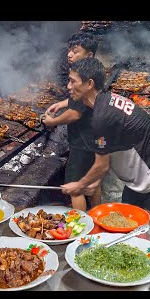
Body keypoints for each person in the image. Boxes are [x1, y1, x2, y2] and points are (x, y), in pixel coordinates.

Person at [60, 57, 150, 229]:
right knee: (126, 228)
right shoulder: (105, 102)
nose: (68, 87)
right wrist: (94, 181)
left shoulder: (102, 116)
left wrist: (79, 184)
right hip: (136, 184)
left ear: (89, 84)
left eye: (73, 81)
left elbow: (101, 165)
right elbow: (109, 152)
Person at [42, 33, 101, 211]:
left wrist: (53, 122)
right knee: (92, 183)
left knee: (75, 187)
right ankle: (98, 218)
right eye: (69, 50)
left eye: (75, 51)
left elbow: (75, 114)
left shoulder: (82, 77)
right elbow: (79, 102)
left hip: (82, 142)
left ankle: (81, 229)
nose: (69, 54)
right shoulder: (95, 72)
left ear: (89, 55)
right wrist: (62, 103)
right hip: (95, 139)